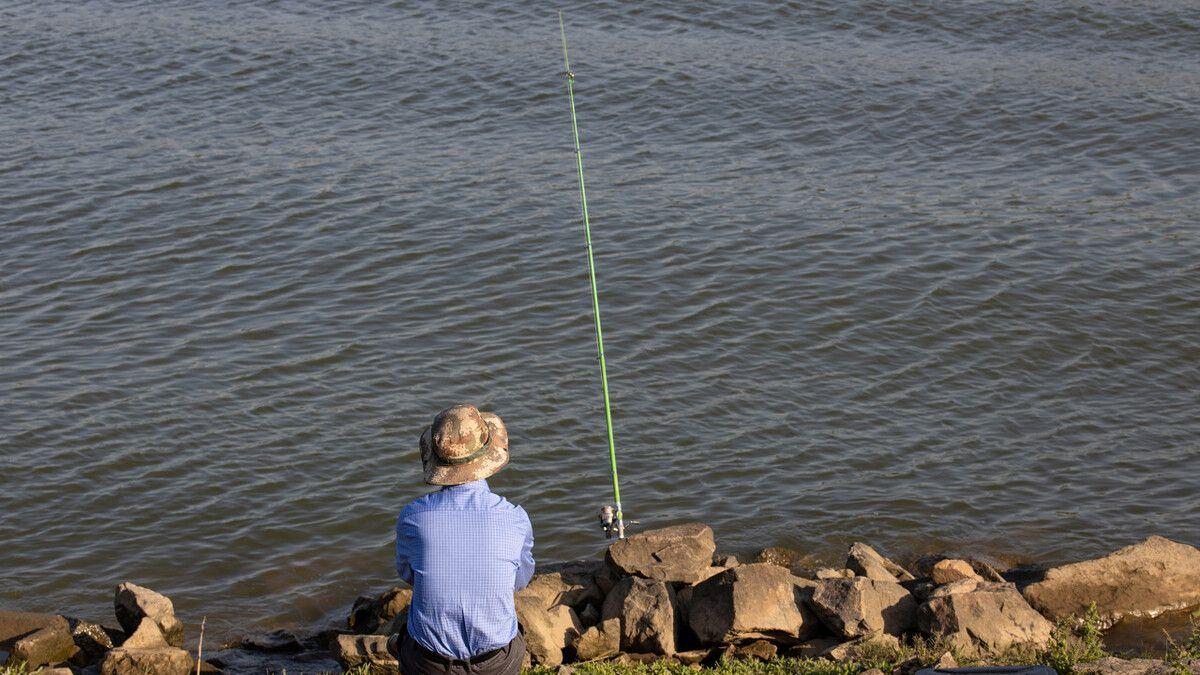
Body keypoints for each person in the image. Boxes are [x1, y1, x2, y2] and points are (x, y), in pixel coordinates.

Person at [390, 404, 535, 675]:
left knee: (406, 635)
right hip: (496, 662)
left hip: (429, 663)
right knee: (514, 635)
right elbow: (520, 580)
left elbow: (408, 574)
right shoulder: (515, 518)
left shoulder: (413, 517)